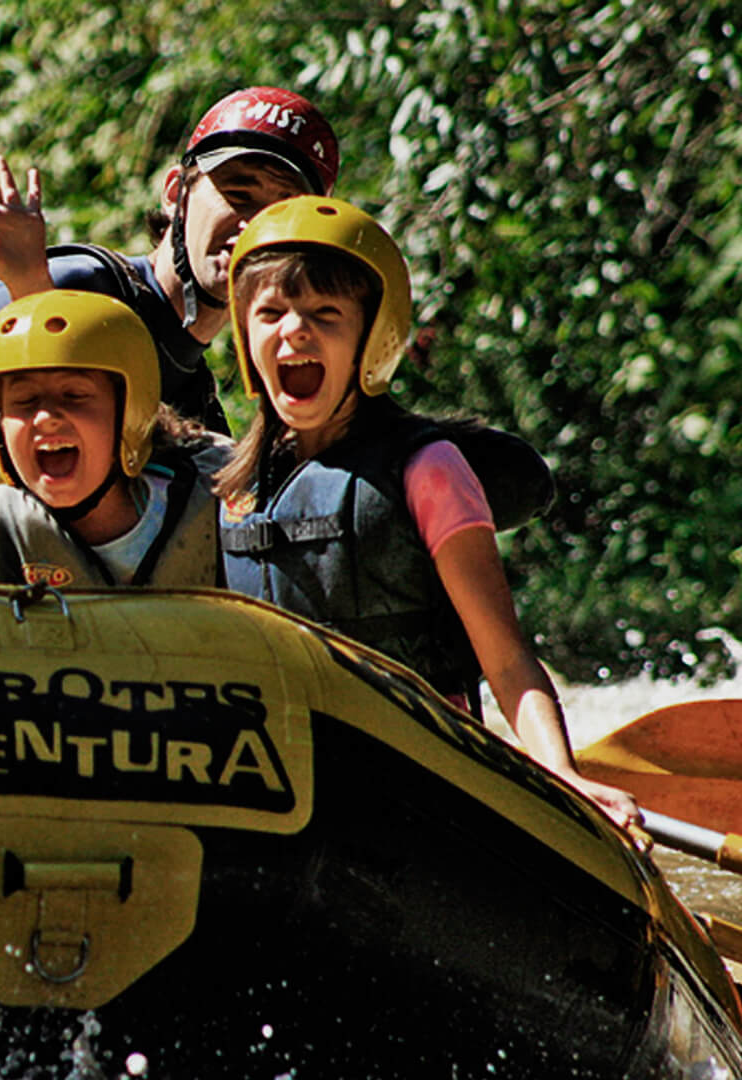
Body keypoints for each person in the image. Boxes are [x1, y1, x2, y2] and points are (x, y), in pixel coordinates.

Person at [210, 194, 639, 828]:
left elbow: (506, 660)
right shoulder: (229, 488)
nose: (294, 330)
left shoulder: (429, 469)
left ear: (373, 339)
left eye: (325, 314)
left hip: (424, 771)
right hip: (286, 776)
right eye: (270, 312)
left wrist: (560, 772)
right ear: (247, 339)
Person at [0, 86, 339, 434]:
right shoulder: (75, 285)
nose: (254, 224)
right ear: (175, 194)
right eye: (238, 194)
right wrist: (33, 295)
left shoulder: (198, 404)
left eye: (282, 209)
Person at [0, 289, 228, 587]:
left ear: (130, 408)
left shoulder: (219, 507)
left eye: (74, 395)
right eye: (25, 400)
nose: (46, 418)